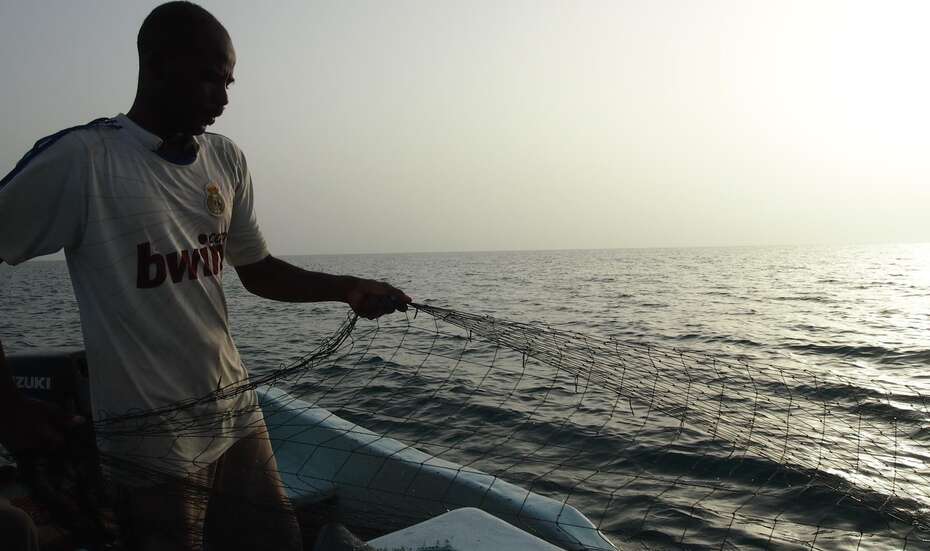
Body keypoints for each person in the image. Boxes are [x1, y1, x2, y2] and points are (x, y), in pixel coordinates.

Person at [0, 2, 409, 549]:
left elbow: (257, 270)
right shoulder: (84, 159)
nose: (223, 99)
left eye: (229, 81)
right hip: (147, 440)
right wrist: (7, 407)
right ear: (157, 65)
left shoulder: (227, 161)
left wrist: (345, 289)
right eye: (210, 78)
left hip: (236, 414)